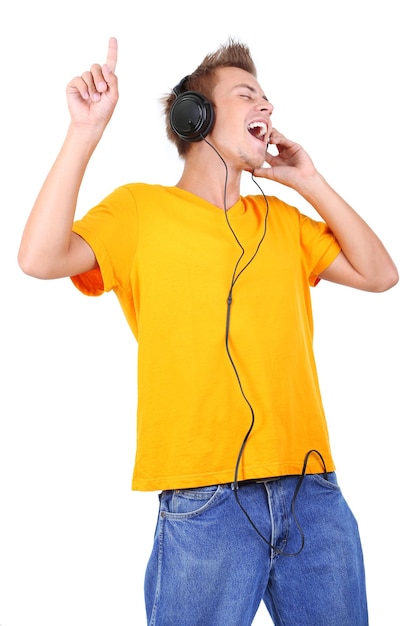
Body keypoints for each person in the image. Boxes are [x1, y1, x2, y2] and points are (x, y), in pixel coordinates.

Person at [18, 36, 398, 625]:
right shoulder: (139, 212)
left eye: (268, 98)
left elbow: (381, 274)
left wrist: (311, 180)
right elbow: (39, 258)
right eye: (248, 95)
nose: (266, 109)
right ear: (195, 118)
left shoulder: (282, 220)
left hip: (311, 490)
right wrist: (84, 132)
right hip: (206, 498)